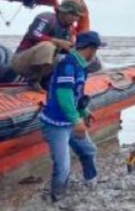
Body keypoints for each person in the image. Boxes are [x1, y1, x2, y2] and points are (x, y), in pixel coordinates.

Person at [39, 31, 105, 202]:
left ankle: (91, 182)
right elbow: (64, 95)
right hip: (56, 124)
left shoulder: (81, 66)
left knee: (88, 150)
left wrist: (83, 112)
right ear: (91, 49)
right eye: (96, 49)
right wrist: (77, 121)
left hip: (70, 121)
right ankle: (57, 198)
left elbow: (77, 95)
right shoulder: (68, 65)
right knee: (63, 166)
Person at [12, 0, 83, 91]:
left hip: (43, 67)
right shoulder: (47, 18)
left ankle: (48, 81)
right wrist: (57, 42)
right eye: (72, 14)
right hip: (22, 60)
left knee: (68, 57)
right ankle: (33, 80)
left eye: (77, 16)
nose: (75, 18)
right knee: (48, 46)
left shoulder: (68, 30)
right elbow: (34, 33)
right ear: (62, 12)